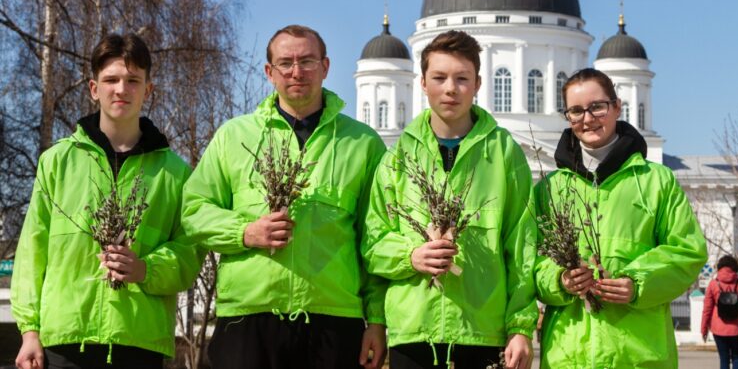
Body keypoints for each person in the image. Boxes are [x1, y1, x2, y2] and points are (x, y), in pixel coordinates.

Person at [181, 25, 388, 369]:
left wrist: (377, 320)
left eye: (307, 61)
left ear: (325, 66)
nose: (297, 71)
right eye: (285, 63)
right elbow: (194, 211)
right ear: (269, 72)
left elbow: (376, 239)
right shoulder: (234, 137)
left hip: (334, 321)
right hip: (247, 318)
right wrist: (245, 232)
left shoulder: (363, 144)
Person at [12, 33, 198, 369]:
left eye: (133, 80)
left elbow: (189, 254)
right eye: (111, 79)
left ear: (148, 90)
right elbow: (32, 251)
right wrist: (29, 332)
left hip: (139, 342)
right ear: (94, 89)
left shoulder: (176, 173)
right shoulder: (57, 162)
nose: (121, 89)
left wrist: (146, 269)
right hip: (64, 341)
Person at [361, 30, 537, 369]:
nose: (450, 88)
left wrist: (520, 326)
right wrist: (411, 256)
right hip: (413, 331)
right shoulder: (397, 157)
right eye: (439, 77)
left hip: (481, 331)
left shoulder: (503, 155)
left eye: (462, 78)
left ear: (478, 83)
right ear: (423, 83)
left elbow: (522, 247)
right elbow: (373, 242)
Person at [533, 68, 708, 368]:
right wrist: (560, 281)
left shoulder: (656, 181)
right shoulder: (550, 189)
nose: (587, 119)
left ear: (617, 107)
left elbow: (688, 251)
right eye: (576, 111)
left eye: (597, 107)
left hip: (638, 354)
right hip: (568, 355)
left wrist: (638, 283)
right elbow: (529, 259)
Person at [701, 255, 738, 369]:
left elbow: (707, 309)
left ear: (719, 267)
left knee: (724, 359)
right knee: (737, 358)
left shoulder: (713, 284)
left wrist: (704, 329)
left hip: (718, 328)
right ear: (735, 267)